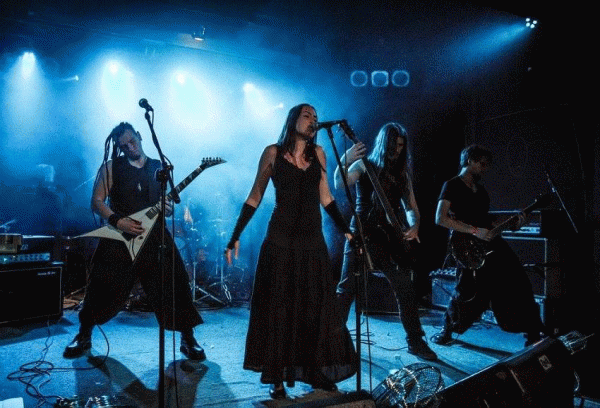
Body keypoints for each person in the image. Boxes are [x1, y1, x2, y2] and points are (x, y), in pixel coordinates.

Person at [225, 104, 357, 400]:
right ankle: (276, 375)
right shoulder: (272, 153)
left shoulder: (318, 154)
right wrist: (235, 236)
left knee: (315, 309)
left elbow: (326, 197)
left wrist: (347, 229)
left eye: (316, 117)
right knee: (279, 309)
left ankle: (315, 370)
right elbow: (255, 196)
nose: (313, 120)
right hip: (280, 240)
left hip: (312, 242)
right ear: (293, 119)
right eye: (307, 115)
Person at [63, 122, 205, 361]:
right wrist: (118, 221)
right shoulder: (111, 167)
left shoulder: (159, 167)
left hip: (155, 236)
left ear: (140, 136)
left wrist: (168, 209)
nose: (130, 147)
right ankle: (84, 334)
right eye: (124, 146)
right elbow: (96, 202)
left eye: (132, 141)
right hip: (120, 237)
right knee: (101, 284)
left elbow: (165, 206)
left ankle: (187, 338)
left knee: (175, 282)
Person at [334, 122, 437, 361]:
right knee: (346, 289)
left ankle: (415, 341)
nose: (397, 150)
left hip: (388, 237)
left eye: (401, 146)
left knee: (405, 288)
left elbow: (411, 207)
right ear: (383, 143)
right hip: (362, 233)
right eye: (393, 145)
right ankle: (332, 340)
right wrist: (346, 158)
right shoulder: (365, 164)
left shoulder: (402, 175)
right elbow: (339, 183)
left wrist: (414, 225)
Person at [431, 144, 545, 347]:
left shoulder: (481, 191)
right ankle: (447, 329)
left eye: (487, 165)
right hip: (466, 244)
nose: (485, 169)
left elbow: (486, 221)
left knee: (518, 280)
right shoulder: (452, 185)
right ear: (470, 160)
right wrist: (474, 230)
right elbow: (440, 218)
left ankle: (533, 332)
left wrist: (514, 224)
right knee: (467, 289)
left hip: (488, 241)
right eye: (482, 164)